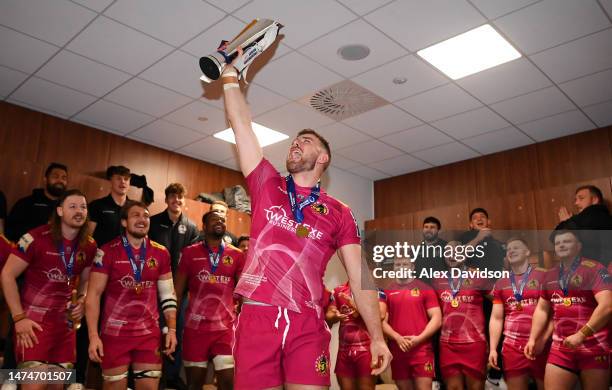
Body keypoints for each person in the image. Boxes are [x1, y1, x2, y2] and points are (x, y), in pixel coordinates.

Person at [220, 52, 391, 389]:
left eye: (306, 141)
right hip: (258, 314)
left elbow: (359, 277)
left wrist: (377, 337)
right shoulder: (265, 183)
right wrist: (229, 78)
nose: (297, 142)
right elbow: (242, 124)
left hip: (306, 321)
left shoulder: (340, 212)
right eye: (295, 140)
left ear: (323, 158)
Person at [1, 190, 96, 388]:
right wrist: (19, 318)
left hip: (65, 327)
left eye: (83, 207)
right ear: (60, 211)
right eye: (73, 207)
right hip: (34, 325)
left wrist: (82, 299)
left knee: (56, 386)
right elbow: (7, 275)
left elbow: (87, 281)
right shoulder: (35, 238)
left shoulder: (89, 245)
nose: (79, 211)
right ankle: (7, 380)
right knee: (36, 383)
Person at [85, 200, 177, 390]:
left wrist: (172, 330)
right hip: (114, 335)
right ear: (124, 222)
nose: (142, 219)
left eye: (146, 216)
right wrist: (93, 336)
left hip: (148, 335)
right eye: (136, 215)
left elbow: (168, 294)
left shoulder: (161, 253)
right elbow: (93, 295)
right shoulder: (107, 251)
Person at [526, 230, 610, 390]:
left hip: (593, 346)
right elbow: (542, 309)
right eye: (558, 243)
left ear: (579, 246)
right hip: (561, 348)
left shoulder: (595, 268)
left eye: (567, 241)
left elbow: (607, 305)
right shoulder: (549, 275)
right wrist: (532, 338)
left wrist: (581, 334)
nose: (561, 245)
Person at [174, 211, 244, 390]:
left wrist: (242, 322)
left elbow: (243, 292)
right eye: (214, 220)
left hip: (225, 330)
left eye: (222, 220)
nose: (219, 222)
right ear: (204, 227)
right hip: (195, 329)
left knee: (228, 383)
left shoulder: (236, 255)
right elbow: (177, 292)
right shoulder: (189, 253)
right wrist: (172, 328)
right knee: (194, 385)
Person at [148, 183, 197, 389]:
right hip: (153, 289)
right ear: (166, 199)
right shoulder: (153, 222)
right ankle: (151, 373)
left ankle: (171, 376)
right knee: (153, 331)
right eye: (173, 197)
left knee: (176, 332)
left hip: (180, 292)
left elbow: (193, 260)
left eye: (180, 197)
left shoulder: (192, 227)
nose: (176, 200)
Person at [489, 238, 550, 390]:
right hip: (512, 347)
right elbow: (496, 318)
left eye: (516, 247)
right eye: (508, 249)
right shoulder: (501, 283)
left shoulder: (544, 276)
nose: (511, 251)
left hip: (541, 345)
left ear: (527, 252)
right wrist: (492, 348)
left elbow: (555, 313)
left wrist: (542, 340)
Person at [432, 241, 490, 390]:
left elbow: (498, 299)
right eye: (448, 252)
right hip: (447, 344)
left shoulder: (477, 275)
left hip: (474, 343)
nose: (452, 255)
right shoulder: (438, 278)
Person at [382, 257, 441, 390]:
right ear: (394, 268)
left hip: (422, 350)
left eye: (405, 264)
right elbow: (382, 322)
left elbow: (437, 318)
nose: (401, 266)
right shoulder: (387, 291)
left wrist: (419, 339)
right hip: (398, 350)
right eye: (397, 264)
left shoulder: (425, 288)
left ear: (412, 267)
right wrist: (397, 338)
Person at [326, 281, 386, 390]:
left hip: (367, 351)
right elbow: (329, 314)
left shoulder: (375, 290)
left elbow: (380, 315)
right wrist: (335, 315)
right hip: (344, 352)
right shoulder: (338, 290)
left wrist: (356, 305)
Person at [6, 163, 68, 241]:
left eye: (64, 178)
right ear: (45, 179)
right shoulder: (26, 203)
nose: (60, 180)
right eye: (55, 176)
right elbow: (10, 233)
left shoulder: (69, 208)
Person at [555, 185, 612, 265]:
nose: (576, 203)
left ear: (594, 200)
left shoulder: (588, 215)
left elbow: (555, 239)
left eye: (581, 198)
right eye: (576, 200)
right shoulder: (606, 217)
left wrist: (565, 222)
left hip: (591, 270)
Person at [88, 165, 131, 247]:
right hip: (101, 256)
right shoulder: (96, 205)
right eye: (118, 178)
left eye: (126, 179)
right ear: (110, 181)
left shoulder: (134, 208)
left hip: (126, 257)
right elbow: (88, 236)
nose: (123, 182)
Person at [414, 216, 447, 283]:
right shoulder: (415, 250)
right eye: (426, 227)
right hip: (420, 289)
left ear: (439, 231)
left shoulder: (446, 247)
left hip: (441, 288)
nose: (428, 230)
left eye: (432, 227)